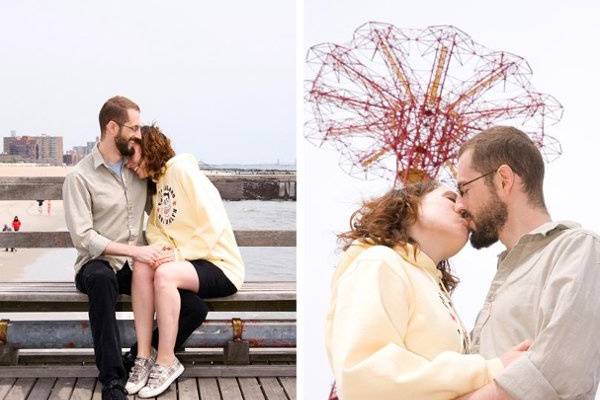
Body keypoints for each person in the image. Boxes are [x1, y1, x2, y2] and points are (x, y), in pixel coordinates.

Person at [325, 181, 529, 400]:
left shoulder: (428, 285)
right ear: (409, 205)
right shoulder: (379, 262)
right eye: (451, 198)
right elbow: (364, 374)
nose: (464, 208)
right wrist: (491, 370)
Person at [63, 96, 209, 400]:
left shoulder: (136, 170)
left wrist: (171, 252)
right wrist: (135, 252)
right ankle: (112, 380)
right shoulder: (79, 177)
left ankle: (138, 358)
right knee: (101, 282)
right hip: (99, 262)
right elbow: (84, 238)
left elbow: (169, 210)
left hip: (137, 265)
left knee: (194, 307)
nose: (138, 134)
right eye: (134, 127)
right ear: (112, 127)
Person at [453, 126, 600, 399]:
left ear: (503, 180)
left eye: (464, 189)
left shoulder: (577, 248)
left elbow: (558, 372)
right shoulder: (508, 273)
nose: (459, 205)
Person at [123, 124, 244, 398]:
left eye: (132, 155)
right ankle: (143, 356)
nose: (129, 164)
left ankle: (167, 361)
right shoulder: (155, 185)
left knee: (165, 276)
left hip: (219, 264)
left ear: (149, 148)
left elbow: (212, 224)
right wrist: (160, 250)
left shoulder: (181, 170)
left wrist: (174, 255)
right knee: (142, 263)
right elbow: (155, 230)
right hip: (187, 264)